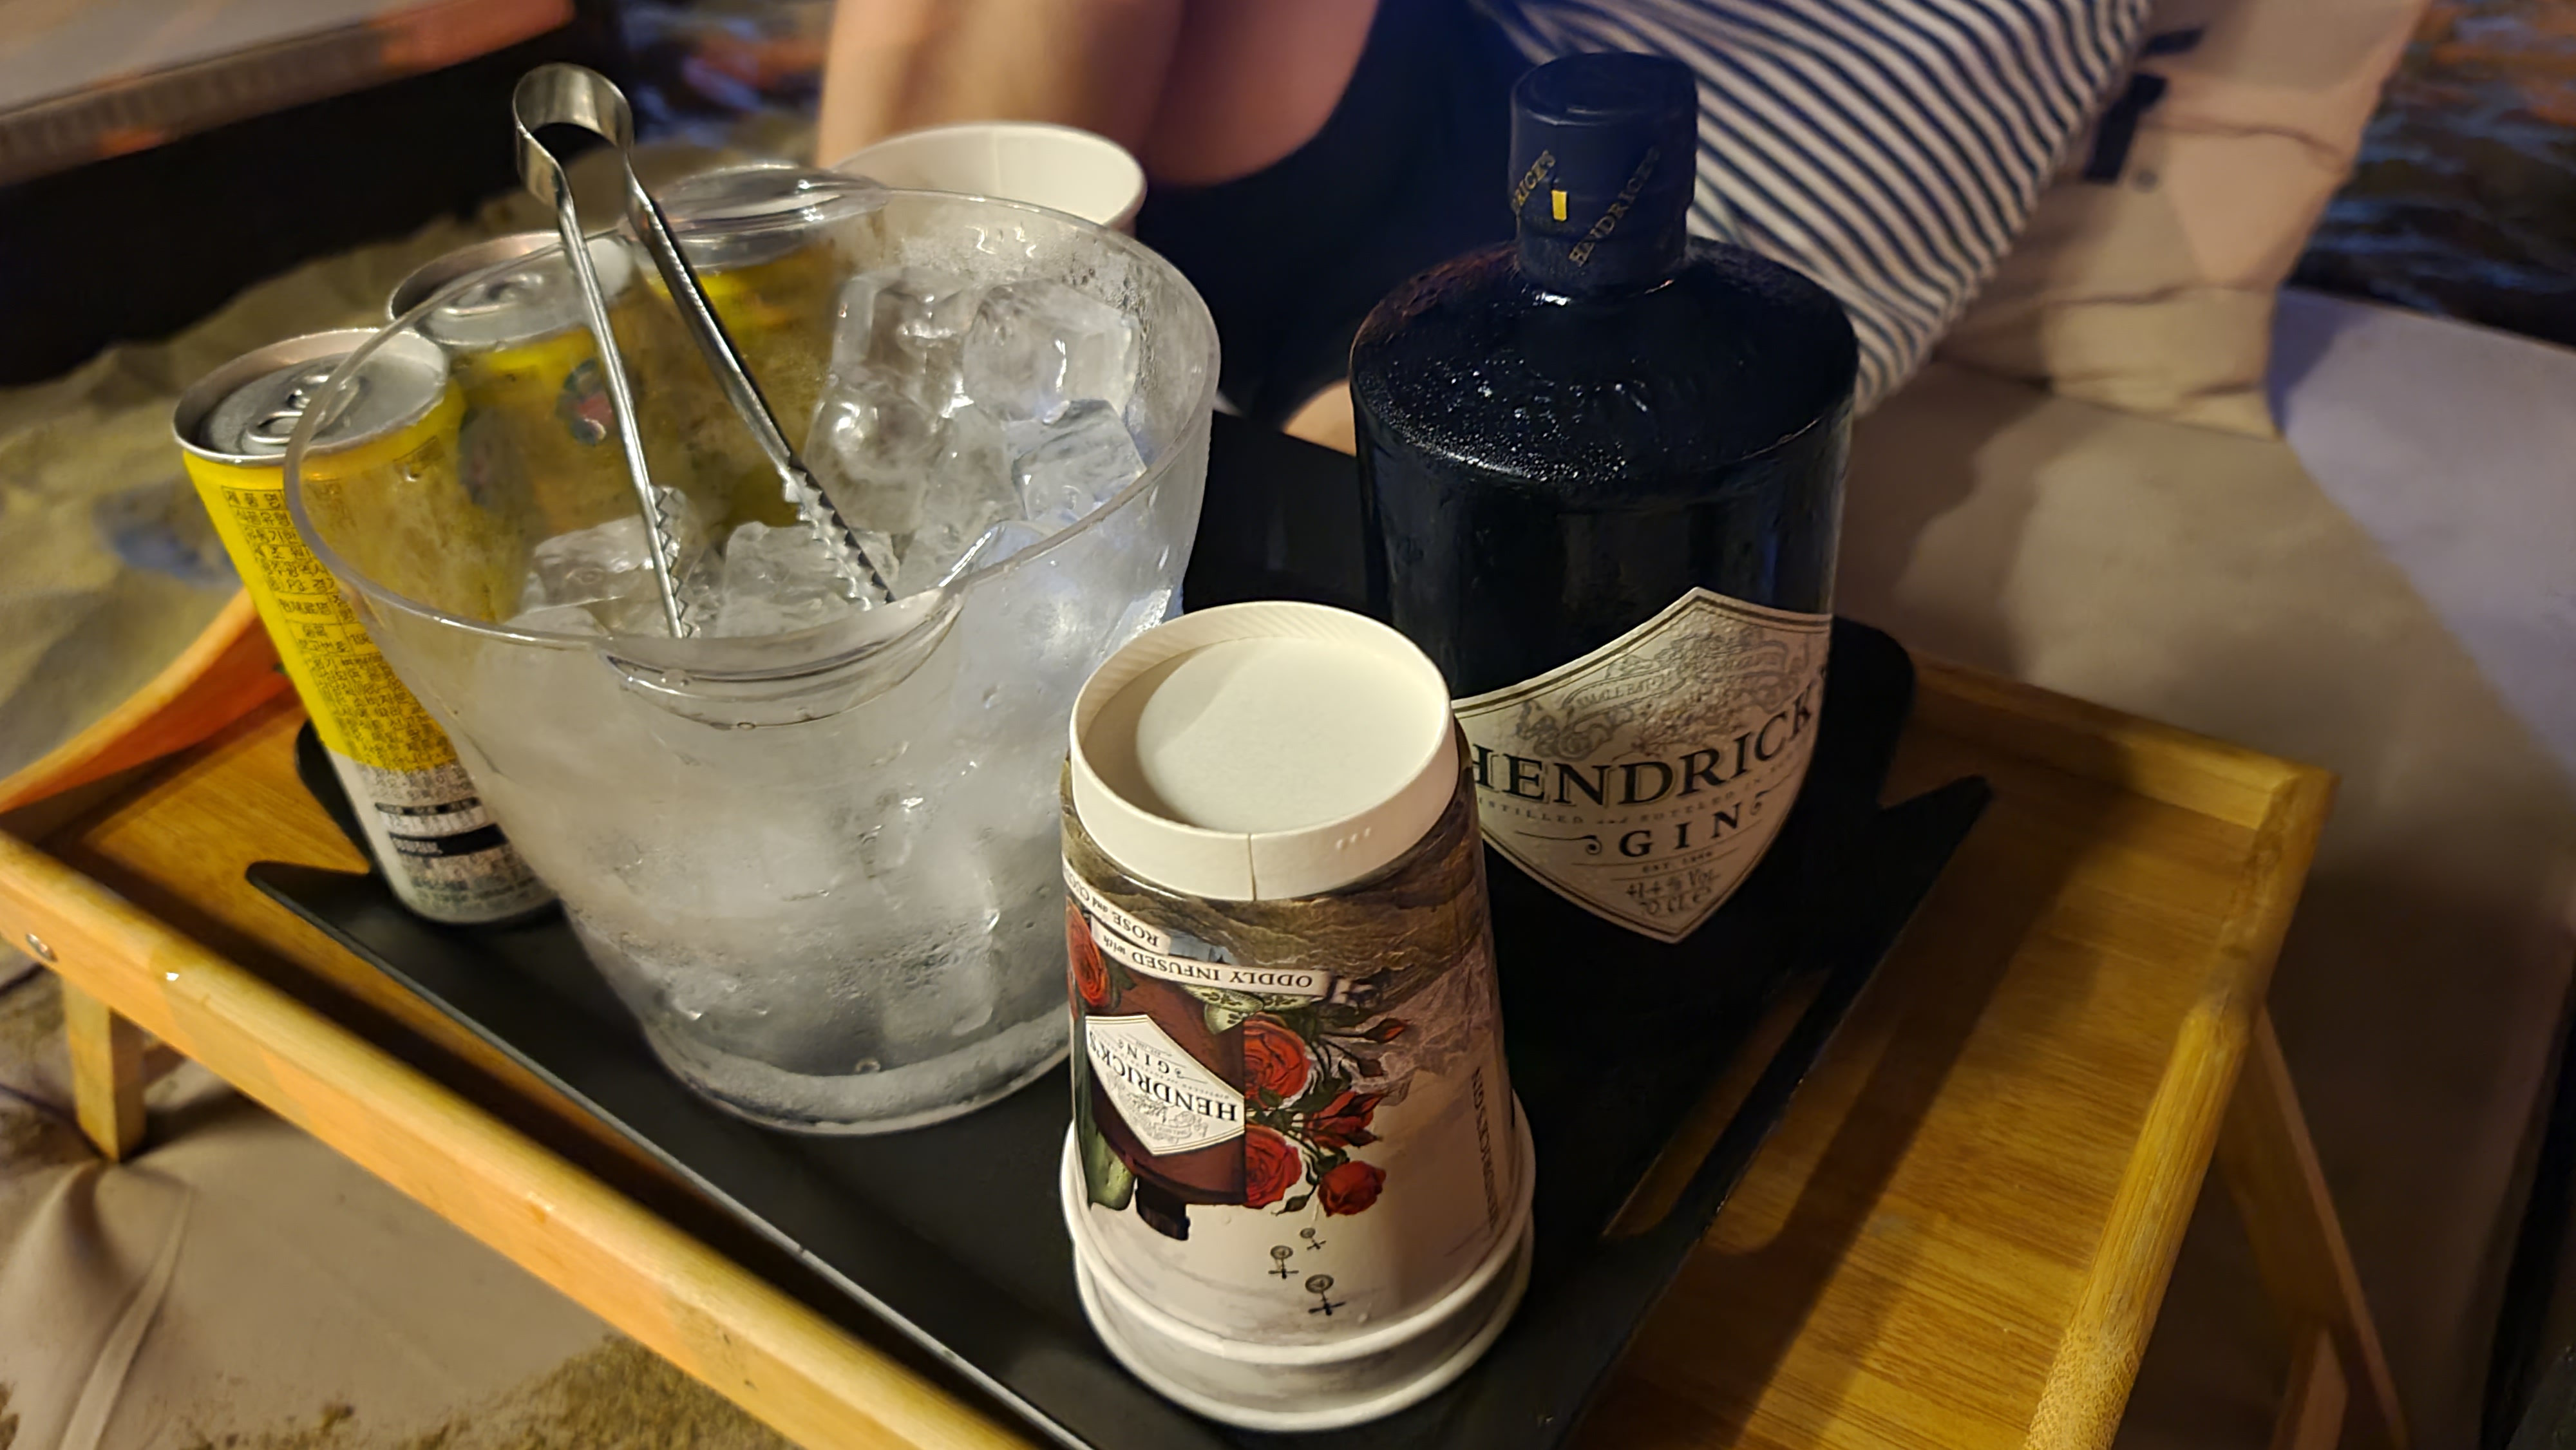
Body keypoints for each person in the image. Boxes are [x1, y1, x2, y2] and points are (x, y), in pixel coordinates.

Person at [817, 0, 2150, 447]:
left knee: (1378, 566)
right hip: (1455, 62)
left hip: (1713, 204)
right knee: (906, 381)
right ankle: (858, 420)